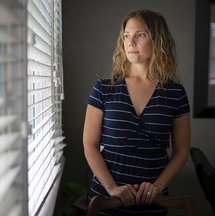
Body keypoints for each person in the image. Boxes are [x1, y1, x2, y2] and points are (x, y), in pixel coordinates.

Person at [83, 9, 191, 215]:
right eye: (126, 36)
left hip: (154, 201)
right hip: (106, 200)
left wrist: (157, 187)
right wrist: (112, 188)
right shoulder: (104, 88)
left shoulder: (175, 93)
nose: (130, 42)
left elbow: (182, 151)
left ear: (157, 40)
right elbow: (90, 145)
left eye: (140, 34)